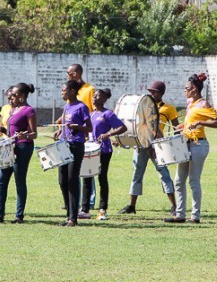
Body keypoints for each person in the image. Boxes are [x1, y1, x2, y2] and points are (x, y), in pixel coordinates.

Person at [164, 73, 217, 224]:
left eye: (186, 88)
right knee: (178, 181)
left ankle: (195, 217)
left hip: (198, 145)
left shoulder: (204, 104)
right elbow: (192, 121)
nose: (184, 90)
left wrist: (201, 123)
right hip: (186, 143)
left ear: (194, 88)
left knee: (193, 181)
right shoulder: (191, 104)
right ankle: (180, 215)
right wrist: (182, 126)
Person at [119, 81, 179, 216]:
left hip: (158, 146)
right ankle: (131, 205)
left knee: (164, 173)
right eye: (151, 91)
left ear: (161, 93)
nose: (151, 94)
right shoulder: (143, 105)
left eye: (154, 91)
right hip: (142, 144)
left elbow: (176, 128)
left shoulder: (168, 108)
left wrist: (170, 145)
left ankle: (174, 206)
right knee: (137, 174)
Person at [0, 83, 38, 224]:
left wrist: (24, 136)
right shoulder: (13, 110)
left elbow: (34, 134)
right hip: (9, 147)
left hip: (23, 148)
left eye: (14, 95)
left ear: (21, 96)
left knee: (19, 181)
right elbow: (10, 131)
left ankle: (19, 216)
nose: (11, 98)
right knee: (1, 181)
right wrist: (3, 131)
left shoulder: (29, 110)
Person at [81, 88, 126, 220]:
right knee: (87, 177)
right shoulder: (91, 114)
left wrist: (108, 134)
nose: (94, 98)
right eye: (93, 95)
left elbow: (122, 127)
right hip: (90, 148)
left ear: (105, 99)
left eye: (98, 96)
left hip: (104, 150)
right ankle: (85, 209)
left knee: (101, 178)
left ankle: (102, 209)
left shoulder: (108, 114)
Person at [55, 80, 92, 227]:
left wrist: (78, 127)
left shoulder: (81, 107)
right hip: (64, 145)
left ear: (71, 91)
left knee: (72, 179)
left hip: (75, 145)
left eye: (64, 90)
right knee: (62, 180)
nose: (62, 92)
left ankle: (73, 218)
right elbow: (65, 126)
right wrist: (60, 131)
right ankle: (68, 215)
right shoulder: (67, 106)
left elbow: (89, 128)